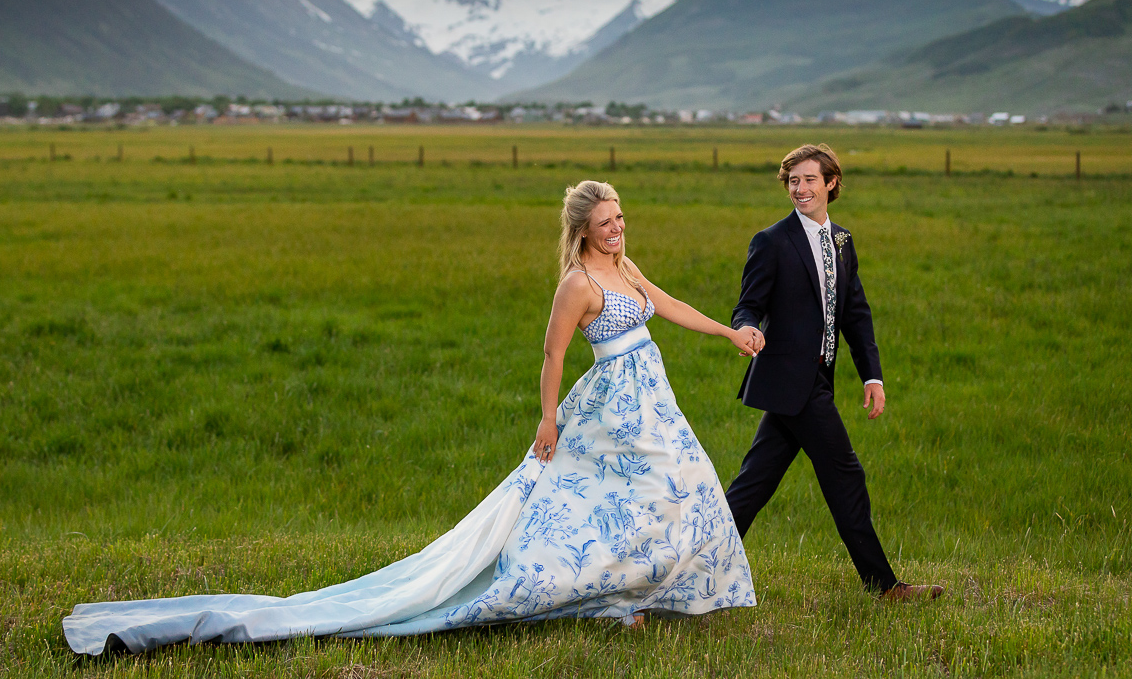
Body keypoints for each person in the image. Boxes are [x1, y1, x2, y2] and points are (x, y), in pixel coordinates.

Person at [63, 180, 758, 654]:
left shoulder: (626, 266)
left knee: (674, 488)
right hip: (609, 405)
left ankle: (631, 591)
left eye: (621, 219)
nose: (617, 228)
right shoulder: (577, 282)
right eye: (606, 223)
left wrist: (729, 334)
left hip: (652, 402)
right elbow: (551, 355)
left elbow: (666, 305)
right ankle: (603, 592)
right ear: (582, 229)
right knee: (593, 503)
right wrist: (547, 417)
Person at [724, 144, 943, 601]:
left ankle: (687, 579)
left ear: (831, 183)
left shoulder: (842, 241)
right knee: (845, 474)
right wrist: (745, 327)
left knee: (752, 487)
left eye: (808, 180)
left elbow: (855, 314)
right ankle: (884, 587)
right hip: (790, 380)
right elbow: (749, 303)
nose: (800, 189)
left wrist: (872, 376)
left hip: (816, 380)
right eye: (792, 181)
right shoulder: (771, 241)